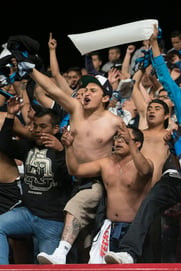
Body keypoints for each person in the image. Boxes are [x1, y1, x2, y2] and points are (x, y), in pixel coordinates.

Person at [103, 24, 181, 264]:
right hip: (176, 174)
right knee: (150, 203)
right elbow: (165, 78)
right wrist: (155, 44)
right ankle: (129, 252)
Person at [19, 59, 123, 264]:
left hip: (97, 182)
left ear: (106, 98)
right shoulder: (75, 109)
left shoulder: (115, 122)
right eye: (85, 89)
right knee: (84, 244)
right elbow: (52, 89)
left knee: (75, 207)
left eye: (93, 90)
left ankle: (60, 253)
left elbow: (129, 147)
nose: (86, 93)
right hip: (72, 180)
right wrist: (31, 70)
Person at [61, 122, 153, 261]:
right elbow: (75, 170)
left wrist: (130, 142)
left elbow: (145, 170)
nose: (119, 141)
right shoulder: (106, 163)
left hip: (134, 231)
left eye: (124, 138)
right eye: (117, 138)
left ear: (137, 143)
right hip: (109, 228)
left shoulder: (145, 163)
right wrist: (69, 147)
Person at [0, 98, 73, 264]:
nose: (37, 130)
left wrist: (61, 151)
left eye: (43, 126)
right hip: (27, 213)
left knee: (46, 265)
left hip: (52, 221)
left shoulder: (68, 149)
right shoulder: (29, 146)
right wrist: (10, 116)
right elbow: (4, 146)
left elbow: (70, 175)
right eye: (35, 126)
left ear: (55, 128)